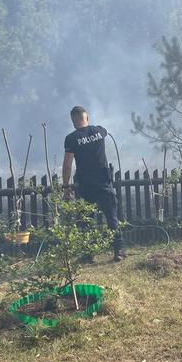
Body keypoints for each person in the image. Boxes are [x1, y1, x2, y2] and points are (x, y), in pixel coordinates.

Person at [62, 106, 124, 261]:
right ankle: (119, 252)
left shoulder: (71, 139)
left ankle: (88, 254)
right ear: (87, 118)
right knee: (112, 218)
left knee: (86, 221)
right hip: (104, 183)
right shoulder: (100, 131)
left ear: (73, 121)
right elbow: (105, 131)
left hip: (85, 185)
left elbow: (67, 165)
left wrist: (65, 187)